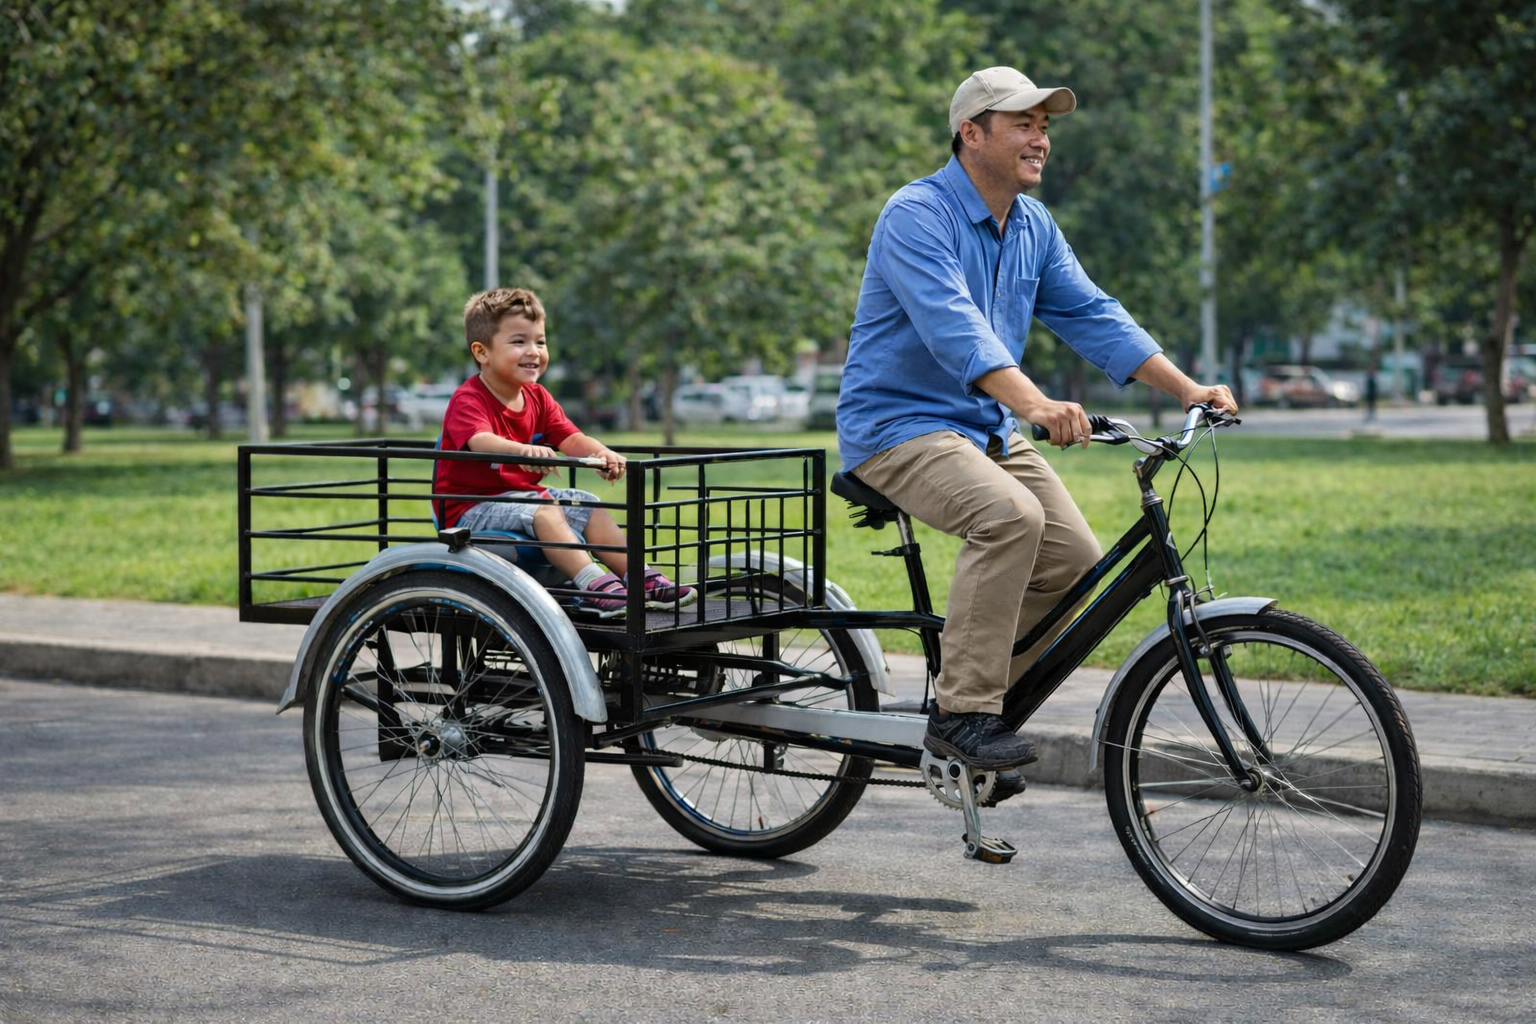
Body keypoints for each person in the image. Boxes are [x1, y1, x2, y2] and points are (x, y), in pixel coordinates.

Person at [836, 66, 1237, 770]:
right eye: (1023, 123)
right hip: (898, 429)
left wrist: (1185, 388)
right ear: (971, 133)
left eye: (1045, 126)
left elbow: (1091, 312)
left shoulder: (1031, 225)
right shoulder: (916, 214)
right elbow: (955, 329)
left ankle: (977, 694)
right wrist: (1036, 404)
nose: (1040, 139)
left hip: (984, 430)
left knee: (1073, 564)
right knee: (1009, 519)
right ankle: (963, 713)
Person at [434, 287, 695, 617]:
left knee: (588, 504)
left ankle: (640, 578)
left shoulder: (538, 397)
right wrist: (525, 451)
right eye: (519, 342)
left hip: (520, 500)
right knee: (544, 509)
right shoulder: (469, 398)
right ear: (482, 352)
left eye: (540, 342)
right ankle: (593, 584)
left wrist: (603, 453)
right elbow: (481, 441)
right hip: (471, 509)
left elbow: (571, 438)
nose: (534, 352)